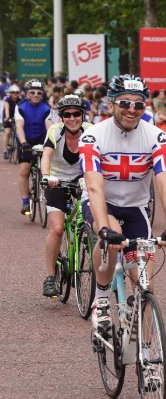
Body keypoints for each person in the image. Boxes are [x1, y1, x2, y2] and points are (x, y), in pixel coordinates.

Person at [79, 74, 166, 339]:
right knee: (110, 237)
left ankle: (148, 363)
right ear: (112, 103)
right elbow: (94, 187)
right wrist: (103, 228)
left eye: (139, 104)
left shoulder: (156, 137)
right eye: (125, 103)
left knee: (146, 285)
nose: (132, 110)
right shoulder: (93, 136)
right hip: (102, 202)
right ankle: (101, 299)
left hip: (136, 209)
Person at [40, 95, 91, 296]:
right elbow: (46, 155)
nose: (72, 118)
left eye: (76, 113)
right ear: (61, 117)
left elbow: (100, 156)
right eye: (67, 114)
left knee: (93, 221)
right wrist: (46, 176)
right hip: (56, 179)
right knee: (58, 228)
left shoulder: (90, 131)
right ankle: (51, 276)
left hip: (82, 177)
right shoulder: (55, 132)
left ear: (82, 115)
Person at [15, 80, 53, 215]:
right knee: (24, 169)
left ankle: (49, 200)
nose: (35, 95)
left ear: (42, 94)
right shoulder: (20, 106)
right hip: (25, 139)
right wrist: (24, 142)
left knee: (47, 168)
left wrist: (51, 141)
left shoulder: (47, 108)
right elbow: (19, 126)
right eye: (32, 92)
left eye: (39, 92)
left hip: (41, 139)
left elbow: (49, 126)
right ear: (27, 93)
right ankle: (25, 202)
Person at [3, 84, 21, 159]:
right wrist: (7, 117)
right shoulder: (7, 100)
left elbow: (22, 110)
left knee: (20, 131)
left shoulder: (20, 100)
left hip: (17, 118)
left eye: (17, 92)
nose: (15, 94)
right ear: (10, 93)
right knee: (7, 132)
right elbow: (7, 109)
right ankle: (5, 150)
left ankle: (20, 150)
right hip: (8, 117)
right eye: (13, 92)